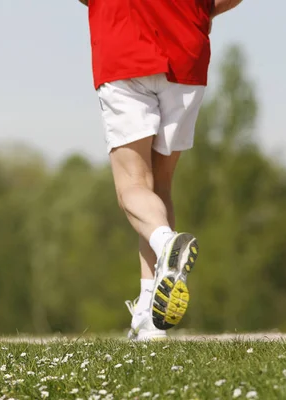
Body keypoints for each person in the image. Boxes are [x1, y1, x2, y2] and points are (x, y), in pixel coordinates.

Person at [79, 0, 244, 341]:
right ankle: (149, 316)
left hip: (122, 44)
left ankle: (166, 241)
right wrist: (204, 11)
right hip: (186, 50)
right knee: (160, 186)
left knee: (133, 188)